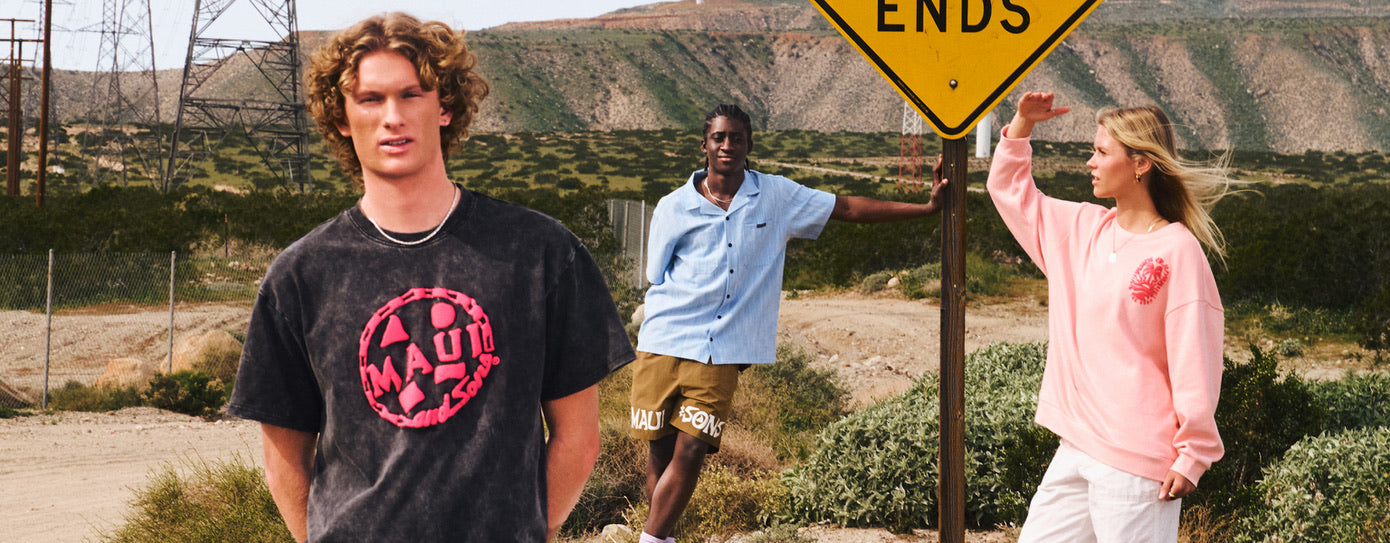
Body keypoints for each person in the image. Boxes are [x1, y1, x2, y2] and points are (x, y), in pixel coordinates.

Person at [225, 13, 635, 542]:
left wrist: (527, 529)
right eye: (370, 99)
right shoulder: (301, 276)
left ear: (445, 107)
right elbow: (284, 459)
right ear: (342, 118)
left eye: (411, 94)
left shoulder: (539, 253)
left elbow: (579, 439)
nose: (392, 117)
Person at [627, 104, 947, 543]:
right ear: (704, 145)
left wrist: (926, 208)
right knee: (659, 454)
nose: (727, 145)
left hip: (720, 348)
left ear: (749, 144)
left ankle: (648, 539)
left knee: (694, 446)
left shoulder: (777, 196)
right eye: (719, 137)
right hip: (664, 340)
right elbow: (656, 274)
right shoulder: (673, 206)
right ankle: (662, 535)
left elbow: (847, 208)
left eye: (736, 137)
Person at [987, 92, 1229, 541]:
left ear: (1141, 164)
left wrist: (1193, 455)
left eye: (1101, 152)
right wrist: (1021, 125)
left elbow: (1195, 357)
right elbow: (1010, 192)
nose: (1090, 162)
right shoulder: (1081, 230)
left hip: (1138, 462)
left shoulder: (1178, 250)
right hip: (1075, 445)